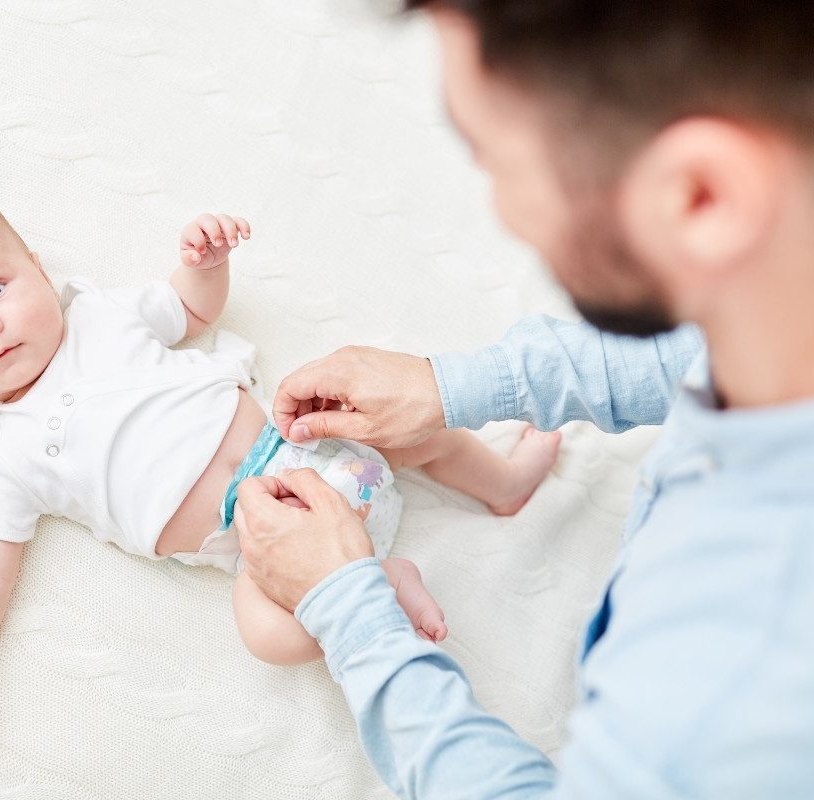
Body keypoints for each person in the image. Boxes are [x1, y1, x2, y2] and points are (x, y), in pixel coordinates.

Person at [234, 1, 814, 797]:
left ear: (701, 197)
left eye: (496, 160)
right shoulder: (781, 283)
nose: (503, 211)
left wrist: (349, 612)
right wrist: (452, 386)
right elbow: (699, 347)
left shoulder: (720, 698)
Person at [0, 194, 561, 752]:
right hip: (258, 555)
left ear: (38, 268)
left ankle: (504, 483)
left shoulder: (101, 317)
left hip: (308, 449)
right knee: (266, 635)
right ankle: (379, 584)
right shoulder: (5, 454)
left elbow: (194, 309)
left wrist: (206, 261)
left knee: (406, 422)